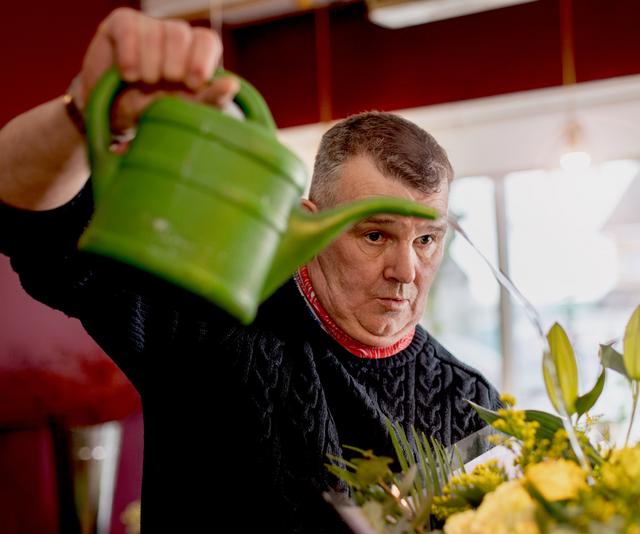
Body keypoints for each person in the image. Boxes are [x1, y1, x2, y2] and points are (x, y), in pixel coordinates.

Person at [0, 7, 499, 532]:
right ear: (310, 226)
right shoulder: (210, 321)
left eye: (426, 240)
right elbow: (35, 228)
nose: (407, 270)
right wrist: (86, 110)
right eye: (374, 235)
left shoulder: (471, 402)